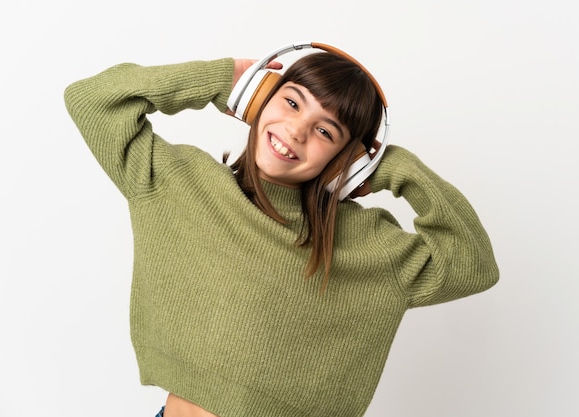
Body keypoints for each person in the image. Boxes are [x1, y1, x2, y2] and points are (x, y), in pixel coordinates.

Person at [64, 42, 499, 417]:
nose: (296, 131)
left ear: (347, 160)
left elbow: (472, 264)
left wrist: (395, 168)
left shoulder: (371, 246)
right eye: (291, 102)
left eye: (325, 131)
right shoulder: (174, 181)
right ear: (257, 99)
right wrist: (223, 78)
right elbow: (91, 100)